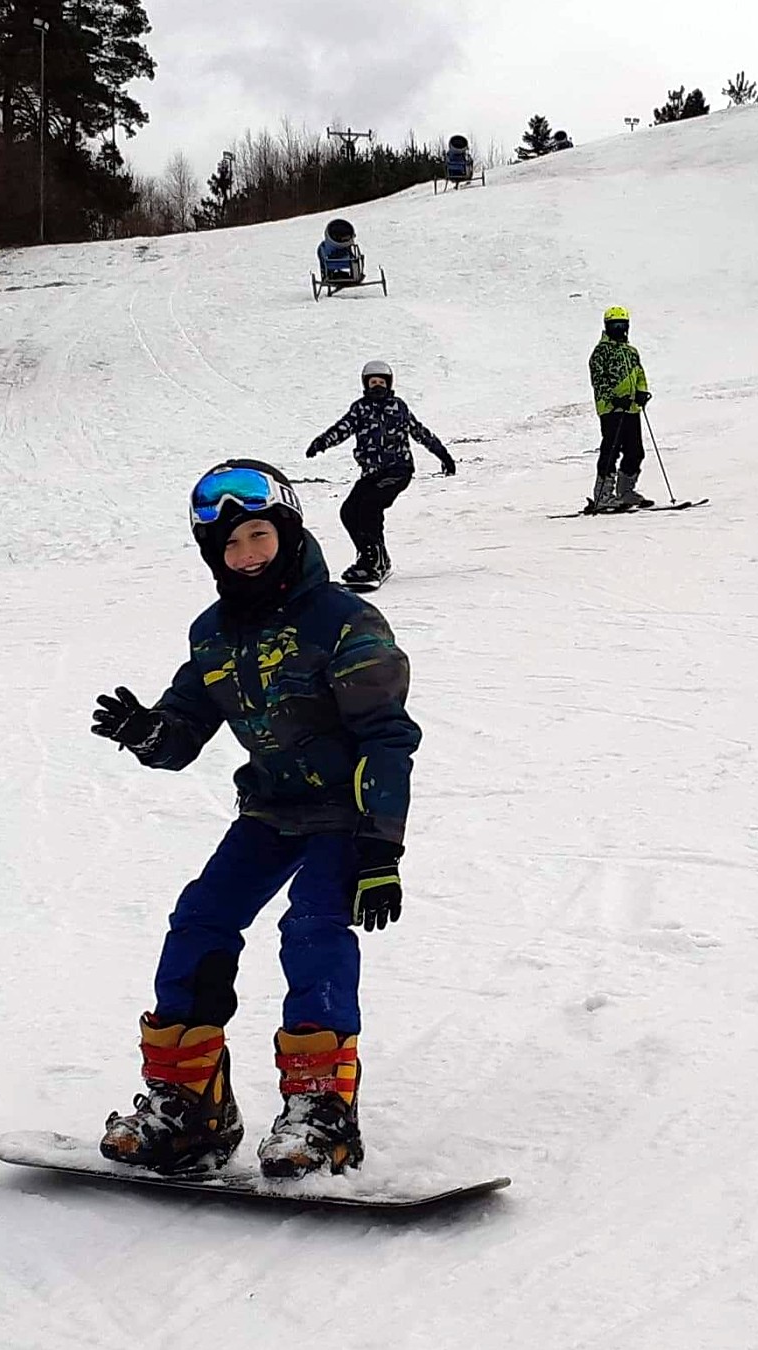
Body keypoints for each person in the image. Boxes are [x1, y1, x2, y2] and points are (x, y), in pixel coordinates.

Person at [91, 459, 422, 1179]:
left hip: (345, 810)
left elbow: (386, 736)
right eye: (230, 545)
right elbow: (184, 728)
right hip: (271, 807)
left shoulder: (343, 621)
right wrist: (149, 732)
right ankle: (189, 1105)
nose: (246, 555)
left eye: (258, 536)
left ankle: (321, 1111)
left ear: (287, 532)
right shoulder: (215, 633)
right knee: (200, 919)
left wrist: (380, 848)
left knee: (313, 926)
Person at [304, 360, 456, 588]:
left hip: (398, 470)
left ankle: (373, 563)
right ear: (366, 385)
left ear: (389, 384)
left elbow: (420, 432)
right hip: (371, 474)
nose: (377, 386)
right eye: (373, 382)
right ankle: (373, 558)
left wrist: (443, 455)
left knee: (370, 506)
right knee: (349, 511)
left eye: (381, 383)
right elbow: (343, 428)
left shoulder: (398, 407)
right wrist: (321, 443)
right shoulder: (360, 408)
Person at [586, 306, 653, 513]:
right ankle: (603, 495)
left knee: (635, 451)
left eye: (622, 325)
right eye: (614, 325)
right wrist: (614, 398)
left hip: (631, 408)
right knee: (611, 449)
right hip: (611, 409)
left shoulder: (630, 352)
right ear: (607, 327)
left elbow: (639, 374)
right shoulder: (601, 352)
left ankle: (625, 491)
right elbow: (598, 380)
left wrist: (642, 392)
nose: (619, 329)